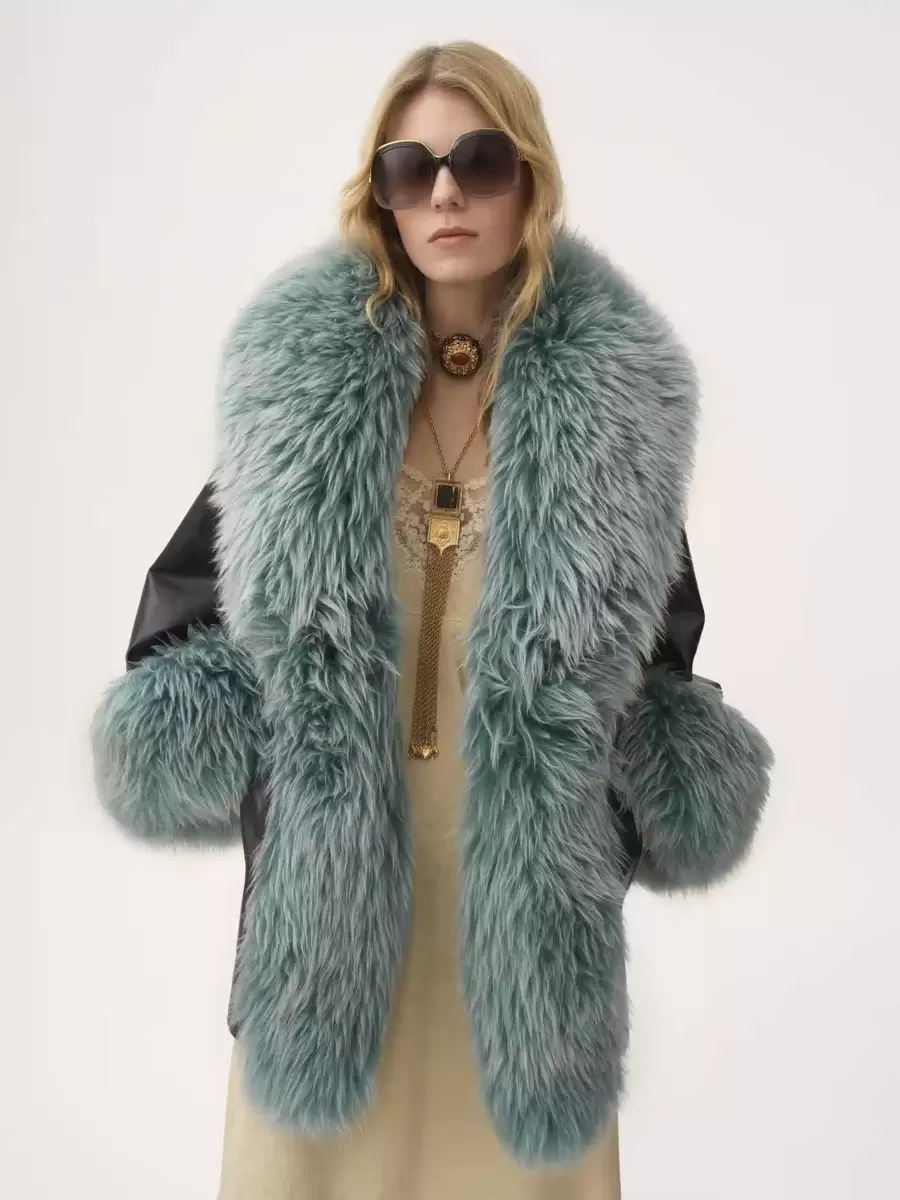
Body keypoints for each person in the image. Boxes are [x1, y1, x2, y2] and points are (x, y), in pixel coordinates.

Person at [89, 39, 774, 1200]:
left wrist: (598, 809)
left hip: (526, 955)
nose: (446, 193)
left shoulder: (614, 425)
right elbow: (181, 641)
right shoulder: (296, 404)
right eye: (412, 167)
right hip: (331, 938)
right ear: (383, 196)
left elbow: (660, 680)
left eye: (479, 161)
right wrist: (293, 760)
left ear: (529, 179)